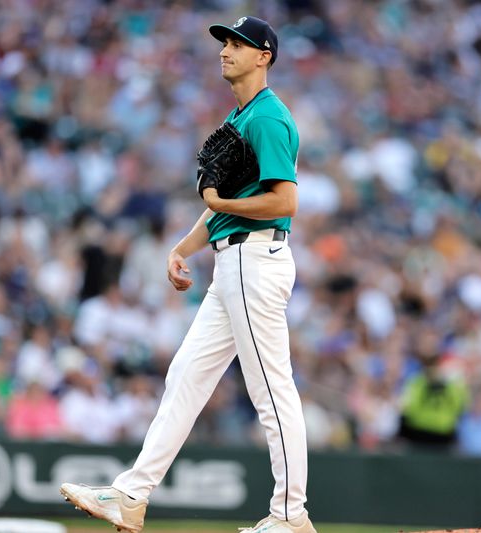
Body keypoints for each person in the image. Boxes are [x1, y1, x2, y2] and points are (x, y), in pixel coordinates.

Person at [60, 16, 316, 533]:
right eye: (224, 41)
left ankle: (290, 516)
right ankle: (131, 494)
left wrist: (220, 203)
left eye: (238, 43)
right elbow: (227, 206)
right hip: (232, 262)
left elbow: (284, 201)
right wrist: (185, 247)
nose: (226, 49)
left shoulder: (267, 118)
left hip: (255, 260)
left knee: (271, 390)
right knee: (185, 377)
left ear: (263, 55)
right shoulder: (242, 116)